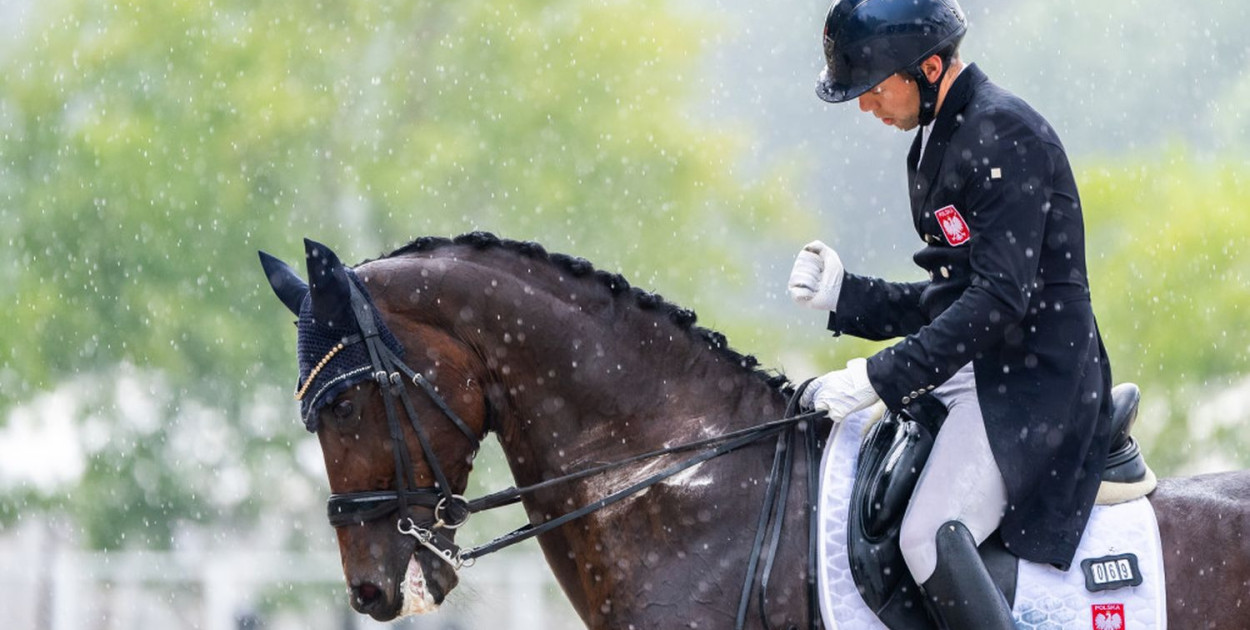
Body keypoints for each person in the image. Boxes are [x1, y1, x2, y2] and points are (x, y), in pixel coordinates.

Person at [787, 0, 1115, 627]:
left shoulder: (1004, 135)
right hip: (982, 364)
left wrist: (879, 375)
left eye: (875, 89)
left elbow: (998, 300)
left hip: (1033, 382)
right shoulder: (941, 142)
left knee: (930, 532)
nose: (865, 106)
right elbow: (953, 300)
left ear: (930, 67)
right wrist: (846, 294)